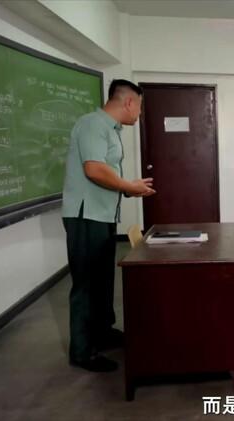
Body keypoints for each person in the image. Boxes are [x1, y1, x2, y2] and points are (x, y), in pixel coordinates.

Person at [62, 79, 156, 372]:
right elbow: (94, 169)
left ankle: (102, 332)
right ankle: (82, 351)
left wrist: (129, 188)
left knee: (103, 281)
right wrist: (128, 186)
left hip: (102, 214)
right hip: (86, 215)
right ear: (128, 102)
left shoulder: (110, 129)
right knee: (87, 284)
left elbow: (107, 172)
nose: (139, 113)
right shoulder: (93, 124)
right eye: (139, 106)